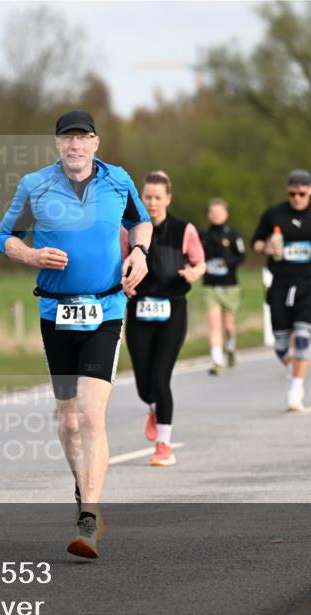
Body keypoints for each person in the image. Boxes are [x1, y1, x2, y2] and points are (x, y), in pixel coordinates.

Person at [0, 110, 152, 559]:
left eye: (83, 138)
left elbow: (141, 222)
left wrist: (139, 252)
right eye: (68, 139)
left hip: (105, 308)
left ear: (96, 143)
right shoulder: (35, 185)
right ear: (57, 145)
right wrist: (30, 254)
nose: (76, 146)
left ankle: (89, 513)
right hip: (56, 312)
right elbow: (5, 235)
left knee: (90, 413)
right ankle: (83, 488)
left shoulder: (118, 180)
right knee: (66, 418)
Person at [126, 171, 205, 466]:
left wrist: (192, 273)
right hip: (139, 309)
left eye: (158, 197)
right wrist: (125, 283)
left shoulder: (185, 230)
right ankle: (152, 406)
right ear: (141, 198)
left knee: (161, 377)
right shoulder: (130, 229)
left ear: (168, 199)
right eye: (147, 197)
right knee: (144, 385)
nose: (153, 202)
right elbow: (119, 262)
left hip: (172, 308)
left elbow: (200, 263)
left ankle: (164, 445)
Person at [252, 170, 311, 412]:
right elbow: (255, 242)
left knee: (302, 338)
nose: (297, 198)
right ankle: (294, 370)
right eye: (292, 193)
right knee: (281, 346)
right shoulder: (274, 214)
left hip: (308, 284)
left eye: (301, 193)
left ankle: (296, 389)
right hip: (280, 283)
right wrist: (267, 247)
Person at [200, 197, 244, 375]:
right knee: (213, 323)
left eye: (219, 212)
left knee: (228, 325)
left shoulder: (233, 235)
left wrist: (229, 262)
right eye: (213, 212)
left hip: (230, 286)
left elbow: (242, 256)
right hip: (210, 286)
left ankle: (231, 347)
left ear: (226, 214)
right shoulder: (203, 234)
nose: (216, 215)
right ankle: (217, 361)